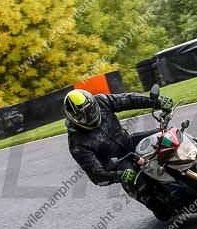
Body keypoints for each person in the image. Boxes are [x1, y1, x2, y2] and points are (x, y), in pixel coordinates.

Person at [64, 89, 179, 220]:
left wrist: (156, 102)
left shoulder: (101, 101)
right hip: (117, 161)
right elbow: (95, 174)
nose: (90, 117)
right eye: (83, 116)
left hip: (128, 142)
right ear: (72, 117)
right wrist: (117, 176)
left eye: (91, 110)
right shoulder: (76, 142)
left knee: (167, 136)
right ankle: (153, 203)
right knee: (142, 187)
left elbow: (128, 100)